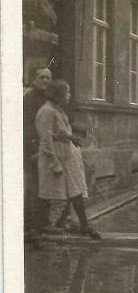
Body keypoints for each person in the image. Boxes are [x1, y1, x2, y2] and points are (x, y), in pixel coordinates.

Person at [36, 80, 100, 239]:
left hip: (66, 156)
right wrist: (54, 164)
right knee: (49, 193)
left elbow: (60, 133)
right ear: (58, 96)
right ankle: (42, 227)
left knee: (74, 190)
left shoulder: (58, 111)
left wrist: (72, 138)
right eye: (67, 93)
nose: (69, 96)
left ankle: (83, 225)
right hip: (54, 157)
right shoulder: (47, 112)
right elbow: (46, 140)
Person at [23, 67, 53, 241]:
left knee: (44, 186)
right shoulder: (29, 100)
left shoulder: (47, 99)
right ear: (34, 79)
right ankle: (30, 225)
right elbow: (28, 129)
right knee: (34, 187)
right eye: (42, 77)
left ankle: (42, 223)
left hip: (44, 150)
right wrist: (33, 152)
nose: (45, 81)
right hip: (34, 151)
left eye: (48, 78)